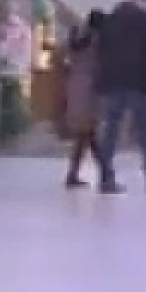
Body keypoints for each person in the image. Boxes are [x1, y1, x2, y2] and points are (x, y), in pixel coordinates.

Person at [93, 0, 146, 194]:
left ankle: (106, 178)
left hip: (111, 83)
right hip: (138, 84)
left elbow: (100, 50)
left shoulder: (110, 20)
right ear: (142, 2)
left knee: (110, 131)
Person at [58, 10, 105, 189]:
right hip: (90, 88)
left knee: (86, 134)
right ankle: (106, 173)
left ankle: (76, 174)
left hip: (75, 86)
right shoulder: (98, 42)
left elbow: (62, 54)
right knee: (88, 133)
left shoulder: (75, 39)